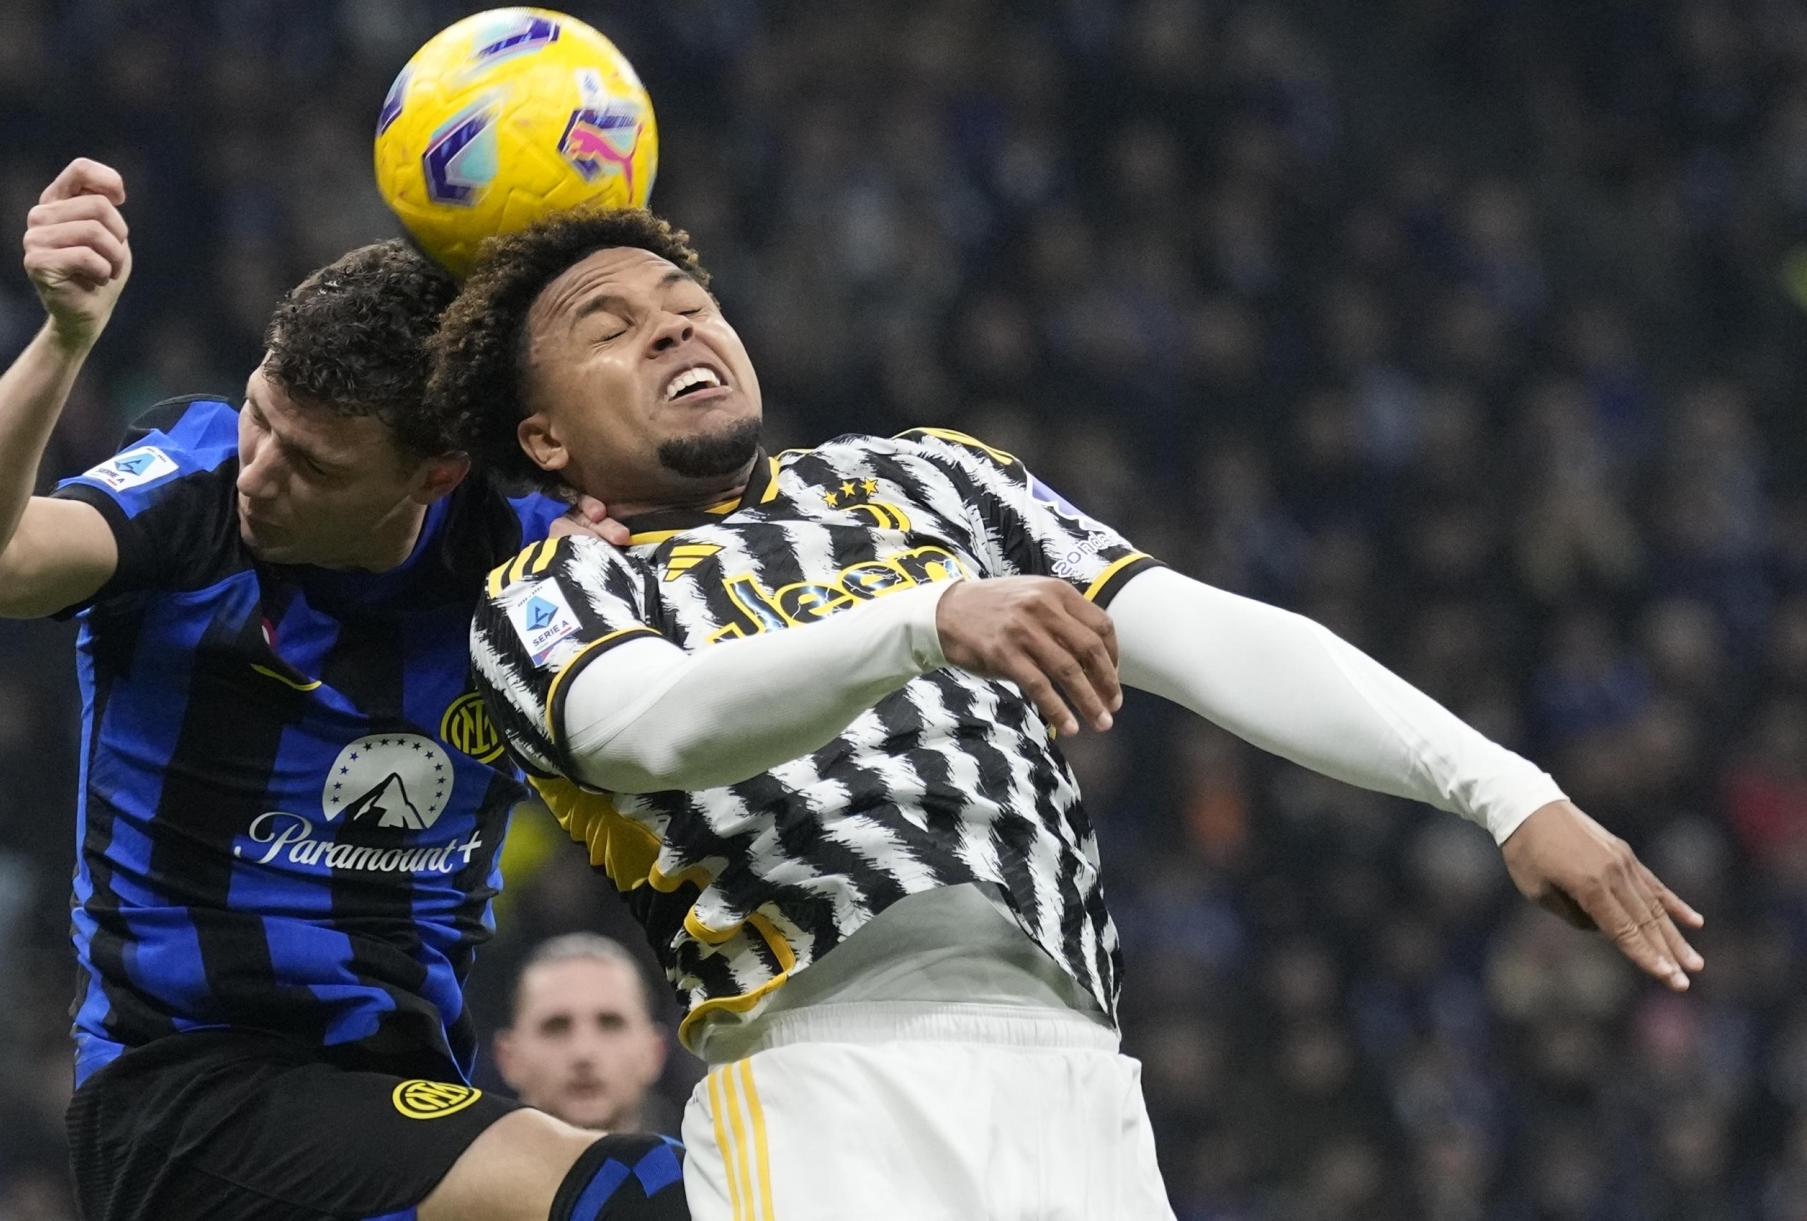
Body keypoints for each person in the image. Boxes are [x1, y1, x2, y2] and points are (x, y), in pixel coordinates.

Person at [434, 209, 1707, 1220]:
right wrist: (922, 623)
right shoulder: (557, 586)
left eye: (688, 306)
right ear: (543, 437)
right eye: (610, 327)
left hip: (1081, 1075)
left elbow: (1205, 633)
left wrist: (1504, 790)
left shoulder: (921, 481)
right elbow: (647, 727)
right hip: (826, 1075)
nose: (669, 330)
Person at [0, 160, 685, 1221]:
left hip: (398, 1100)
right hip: (191, 1096)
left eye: (313, 464)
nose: (261, 470)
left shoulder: (529, 568)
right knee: (639, 1190)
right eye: (263, 416)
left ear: (434, 475)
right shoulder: (193, 494)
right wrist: (64, 341)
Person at [497, 934, 670, 1133]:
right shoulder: (460, 1164)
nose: (583, 1053)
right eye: (556, 1027)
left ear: (655, 1052)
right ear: (508, 1058)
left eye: (610, 1024)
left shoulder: (704, 1163)